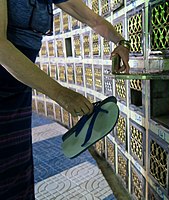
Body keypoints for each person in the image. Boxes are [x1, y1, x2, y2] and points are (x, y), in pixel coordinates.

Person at [0, 0, 130, 199]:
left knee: (18, 169)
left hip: (17, 85)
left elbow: (93, 20)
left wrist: (121, 42)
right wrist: (60, 94)